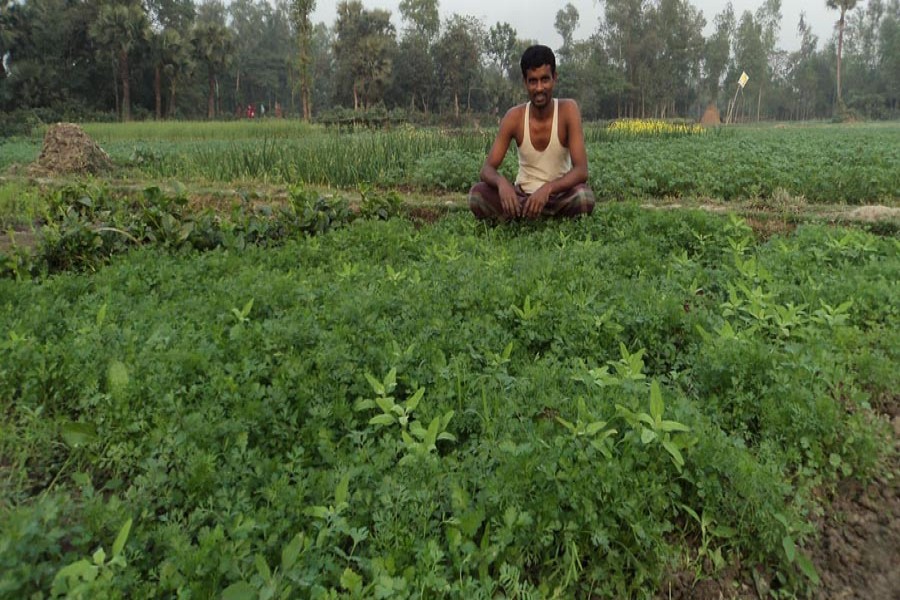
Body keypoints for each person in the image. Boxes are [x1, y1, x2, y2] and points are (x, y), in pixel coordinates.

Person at [469, 45, 595, 220]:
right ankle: (531, 215)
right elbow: (487, 169)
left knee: (583, 197)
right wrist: (502, 184)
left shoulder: (568, 110)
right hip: (522, 198)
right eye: (533, 81)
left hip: (557, 197)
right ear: (525, 82)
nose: (539, 88)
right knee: (477, 195)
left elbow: (581, 171)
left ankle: (525, 219)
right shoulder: (514, 117)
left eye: (545, 79)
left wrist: (547, 189)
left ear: (554, 78)